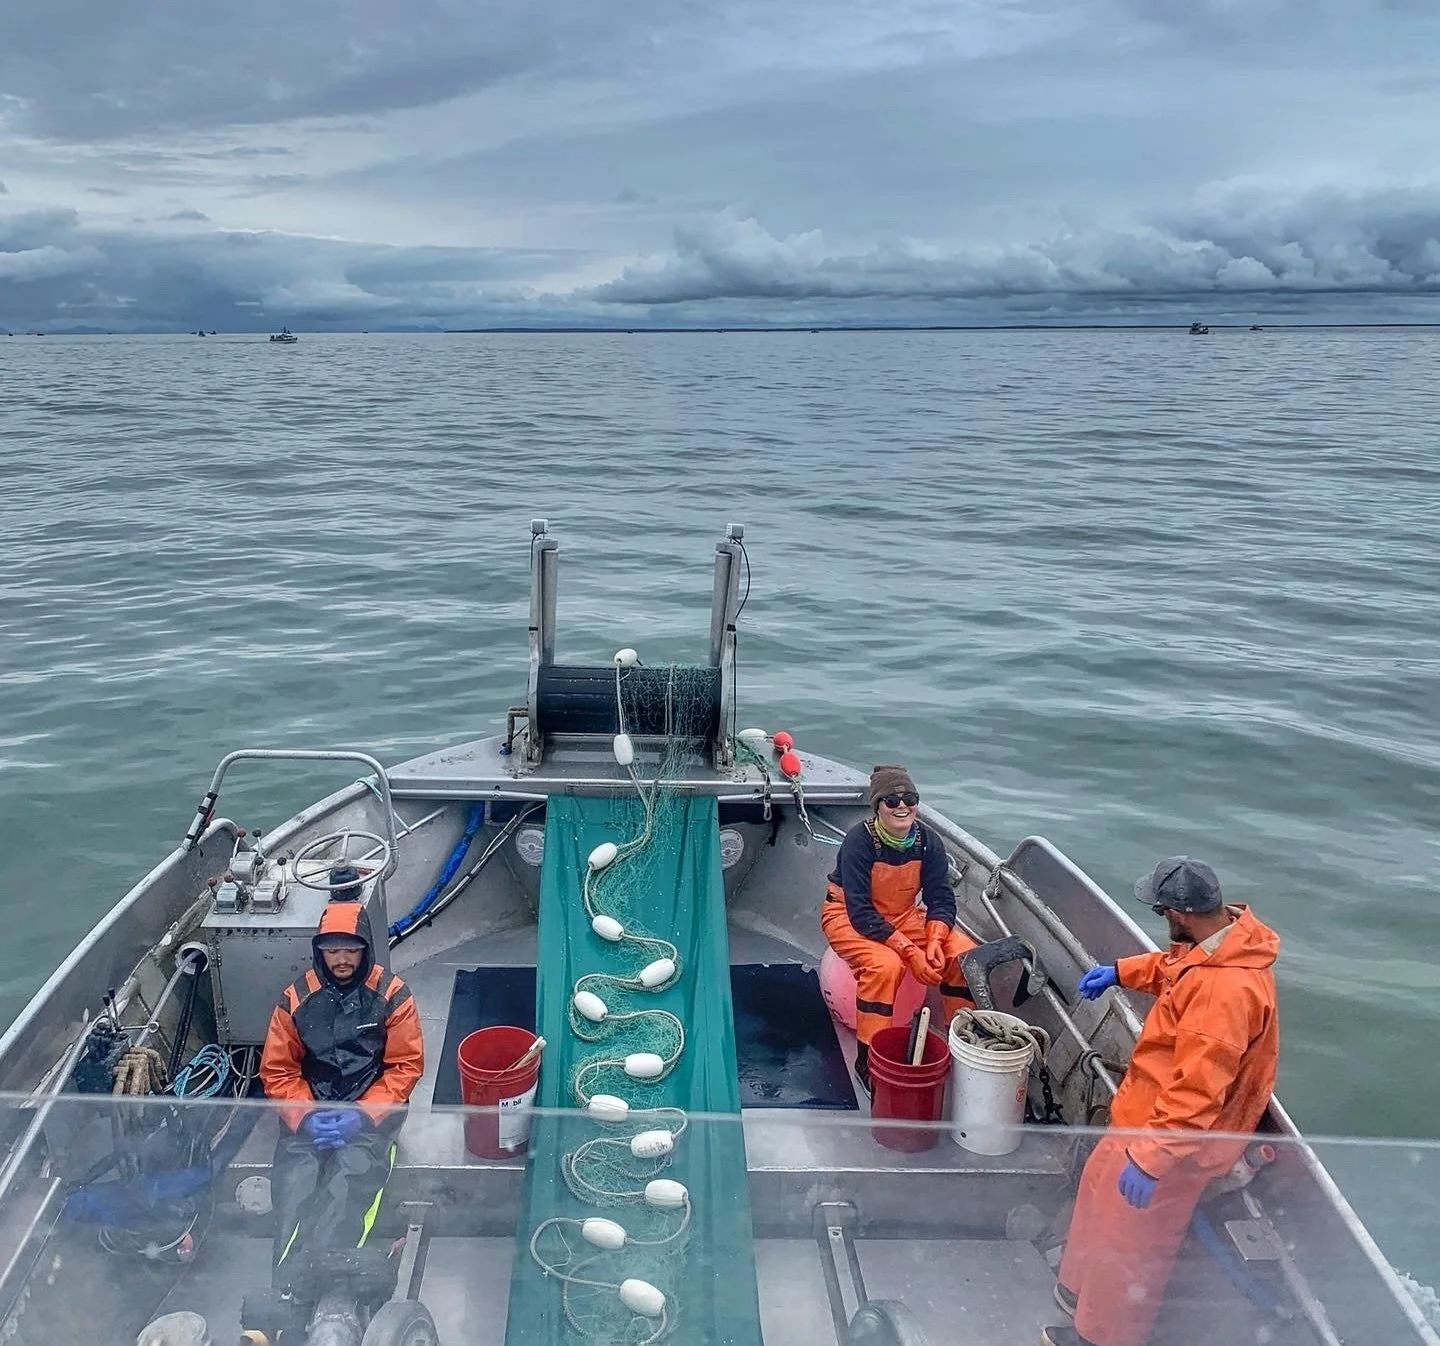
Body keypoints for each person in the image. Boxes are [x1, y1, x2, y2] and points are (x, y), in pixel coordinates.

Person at [1043, 857, 1280, 1346]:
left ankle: (1102, 1337)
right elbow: (1175, 970)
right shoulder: (1214, 944)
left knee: (1131, 1245)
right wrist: (1120, 972)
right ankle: (1077, 1293)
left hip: (1174, 1144)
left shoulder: (1226, 994)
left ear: (1180, 913)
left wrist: (1152, 1160)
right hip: (1140, 1116)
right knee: (1095, 1196)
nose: (1159, 917)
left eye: (1159, 909)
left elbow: (1197, 1094)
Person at [259, 874, 424, 1279]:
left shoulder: (393, 995)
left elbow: (406, 1066)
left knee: (349, 1180)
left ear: (365, 949)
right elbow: (278, 1070)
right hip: (311, 1110)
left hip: (371, 1113)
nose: (342, 958)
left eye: (351, 948)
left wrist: (364, 1115)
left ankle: (326, 1271)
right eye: (332, 949)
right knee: (295, 1179)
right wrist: (305, 1115)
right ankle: (285, 1278)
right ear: (319, 951)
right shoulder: (295, 998)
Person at [822, 764, 977, 1094]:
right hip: (846, 915)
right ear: (877, 806)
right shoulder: (859, 841)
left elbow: (940, 898)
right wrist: (910, 952)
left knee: (962, 954)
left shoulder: (928, 842)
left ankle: (962, 1042)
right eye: (892, 800)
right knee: (884, 965)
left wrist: (934, 942)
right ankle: (867, 1061)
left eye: (910, 798)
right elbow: (861, 912)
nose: (902, 806)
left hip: (903, 915)